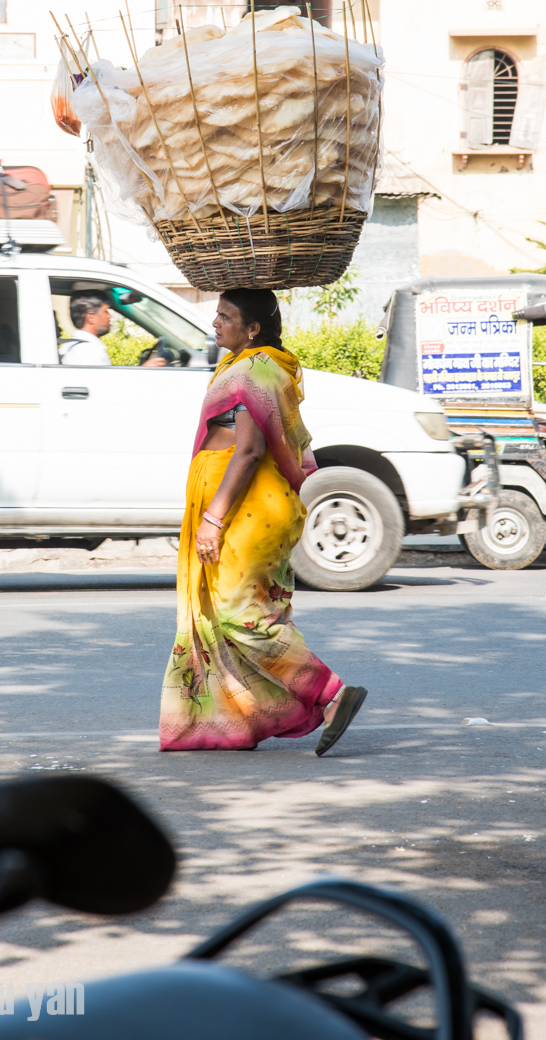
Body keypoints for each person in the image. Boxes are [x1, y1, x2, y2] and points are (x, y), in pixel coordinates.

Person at [159, 287, 366, 755]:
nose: (215, 323)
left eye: (225, 316)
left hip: (246, 507)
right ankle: (236, 721)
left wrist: (214, 518)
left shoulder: (258, 368)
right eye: (217, 314)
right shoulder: (239, 365)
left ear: (253, 328)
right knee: (221, 612)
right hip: (234, 501)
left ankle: (331, 695)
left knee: (239, 614)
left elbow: (250, 450)